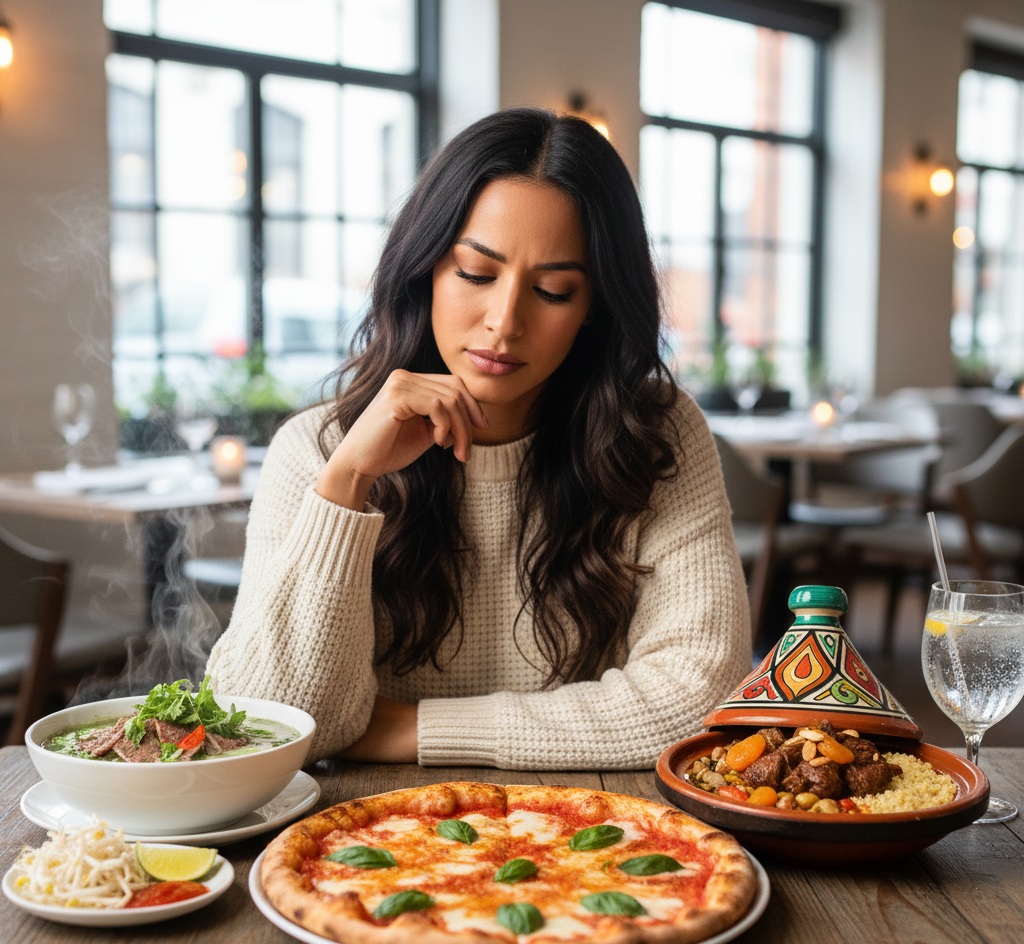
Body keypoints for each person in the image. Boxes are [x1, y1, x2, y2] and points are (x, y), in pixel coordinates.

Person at [205, 107, 751, 769]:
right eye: (475, 274)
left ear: (592, 311)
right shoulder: (317, 450)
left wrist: (413, 731)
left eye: (552, 290)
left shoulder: (656, 434)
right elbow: (262, 727)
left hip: (599, 829)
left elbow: (701, 698)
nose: (504, 321)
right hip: (362, 835)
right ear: (426, 269)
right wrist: (347, 483)